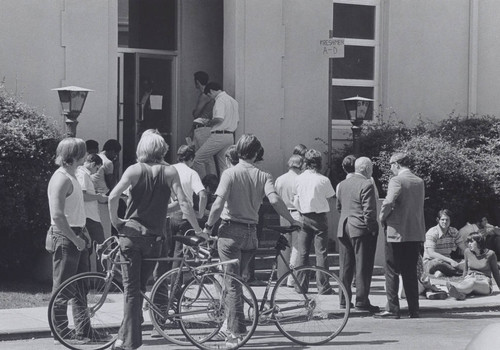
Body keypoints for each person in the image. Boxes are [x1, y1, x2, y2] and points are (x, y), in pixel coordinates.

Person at [108, 129, 203, 350]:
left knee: (131, 290)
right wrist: (197, 229)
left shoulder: (134, 170)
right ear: (162, 149)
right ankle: (124, 336)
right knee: (140, 287)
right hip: (155, 239)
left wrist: (116, 221)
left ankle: (130, 342)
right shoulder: (169, 172)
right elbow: (183, 203)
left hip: (131, 236)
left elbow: (113, 196)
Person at [202, 134, 300, 346]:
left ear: (238, 151)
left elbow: (218, 205)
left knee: (232, 284)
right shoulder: (263, 175)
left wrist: (208, 227)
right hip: (251, 234)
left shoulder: (230, 173)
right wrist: (291, 219)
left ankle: (235, 333)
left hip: (230, 232)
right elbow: (274, 200)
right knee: (238, 282)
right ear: (256, 153)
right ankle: (229, 324)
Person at [46, 138, 106, 342]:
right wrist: (75, 238)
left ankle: (84, 330)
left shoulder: (71, 176)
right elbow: (58, 216)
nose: (85, 156)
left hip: (76, 234)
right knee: (63, 287)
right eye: (82, 153)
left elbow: (74, 212)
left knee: (80, 286)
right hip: (66, 236)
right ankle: (60, 332)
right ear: (75, 155)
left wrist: (83, 233)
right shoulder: (61, 178)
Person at [376, 152, 425, 319]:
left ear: (397, 164)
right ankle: (414, 309)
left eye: (391, 165)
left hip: (396, 232)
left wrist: (382, 217)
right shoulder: (419, 181)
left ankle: (393, 309)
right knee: (410, 271)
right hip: (415, 232)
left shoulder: (396, 180)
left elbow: (388, 202)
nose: (390, 169)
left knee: (391, 270)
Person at [336, 157, 380, 312]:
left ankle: (344, 300)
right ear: (366, 169)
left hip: (344, 226)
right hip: (360, 228)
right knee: (363, 266)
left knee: (345, 266)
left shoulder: (342, 184)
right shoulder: (367, 184)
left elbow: (339, 206)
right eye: (372, 168)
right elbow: (369, 212)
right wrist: (373, 228)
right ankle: (362, 301)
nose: (372, 171)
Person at [293, 149, 335, 294]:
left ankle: (300, 286)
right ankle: (323, 286)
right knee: (321, 253)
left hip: (303, 216)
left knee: (302, 253)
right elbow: (330, 196)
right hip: (319, 216)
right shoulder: (323, 179)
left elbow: (296, 197)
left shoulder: (299, 178)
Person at [192, 82, 239, 179]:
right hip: (230, 136)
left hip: (219, 135)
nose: (210, 98)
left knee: (197, 159)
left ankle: (205, 185)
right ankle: (224, 191)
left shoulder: (220, 100)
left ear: (212, 91)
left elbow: (219, 118)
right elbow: (237, 121)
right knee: (224, 166)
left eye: (209, 95)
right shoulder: (233, 101)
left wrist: (207, 122)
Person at [275, 154, 304, 287]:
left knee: (284, 245)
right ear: (300, 165)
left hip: (283, 213)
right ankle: (292, 278)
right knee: (297, 246)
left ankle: (280, 276)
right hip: (296, 212)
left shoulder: (280, 179)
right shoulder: (300, 179)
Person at [76, 153, 108, 272]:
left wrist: (95, 194)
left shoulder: (84, 174)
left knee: (93, 249)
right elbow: (82, 195)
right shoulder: (82, 174)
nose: (96, 172)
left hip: (90, 216)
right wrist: (98, 197)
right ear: (93, 164)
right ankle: (101, 279)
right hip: (89, 217)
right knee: (101, 248)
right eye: (97, 168)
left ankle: (94, 280)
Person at [447, 232, 500, 300]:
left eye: (471, 242)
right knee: (468, 282)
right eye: (468, 242)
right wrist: (463, 280)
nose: (469, 244)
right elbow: (465, 269)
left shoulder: (490, 254)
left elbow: (496, 273)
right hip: (470, 278)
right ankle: (460, 293)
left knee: (473, 283)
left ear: (479, 242)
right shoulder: (467, 252)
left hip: (484, 282)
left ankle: (456, 290)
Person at [92, 139, 122, 239]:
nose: (116, 156)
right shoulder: (108, 163)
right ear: (112, 150)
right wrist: (117, 167)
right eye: (116, 153)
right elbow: (112, 185)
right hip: (103, 195)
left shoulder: (95, 157)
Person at [423, 209, 465, 278]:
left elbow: (464, 247)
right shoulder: (432, 232)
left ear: (450, 220)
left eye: (447, 220)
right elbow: (431, 253)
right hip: (431, 262)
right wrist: (450, 260)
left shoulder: (454, 231)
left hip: (447, 262)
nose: (445, 222)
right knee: (437, 263)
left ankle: (442, 272)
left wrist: (473, 256)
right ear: (438, 220)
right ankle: (461, 271)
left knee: (464, 261)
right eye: (442, 219)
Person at [191, 71, 215, 151]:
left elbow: (196, 114)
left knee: (203, 157)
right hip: (208, 127)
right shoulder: (211, 94)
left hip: (203, 129)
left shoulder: (204, 95)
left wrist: (194, 111)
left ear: (197, 81)